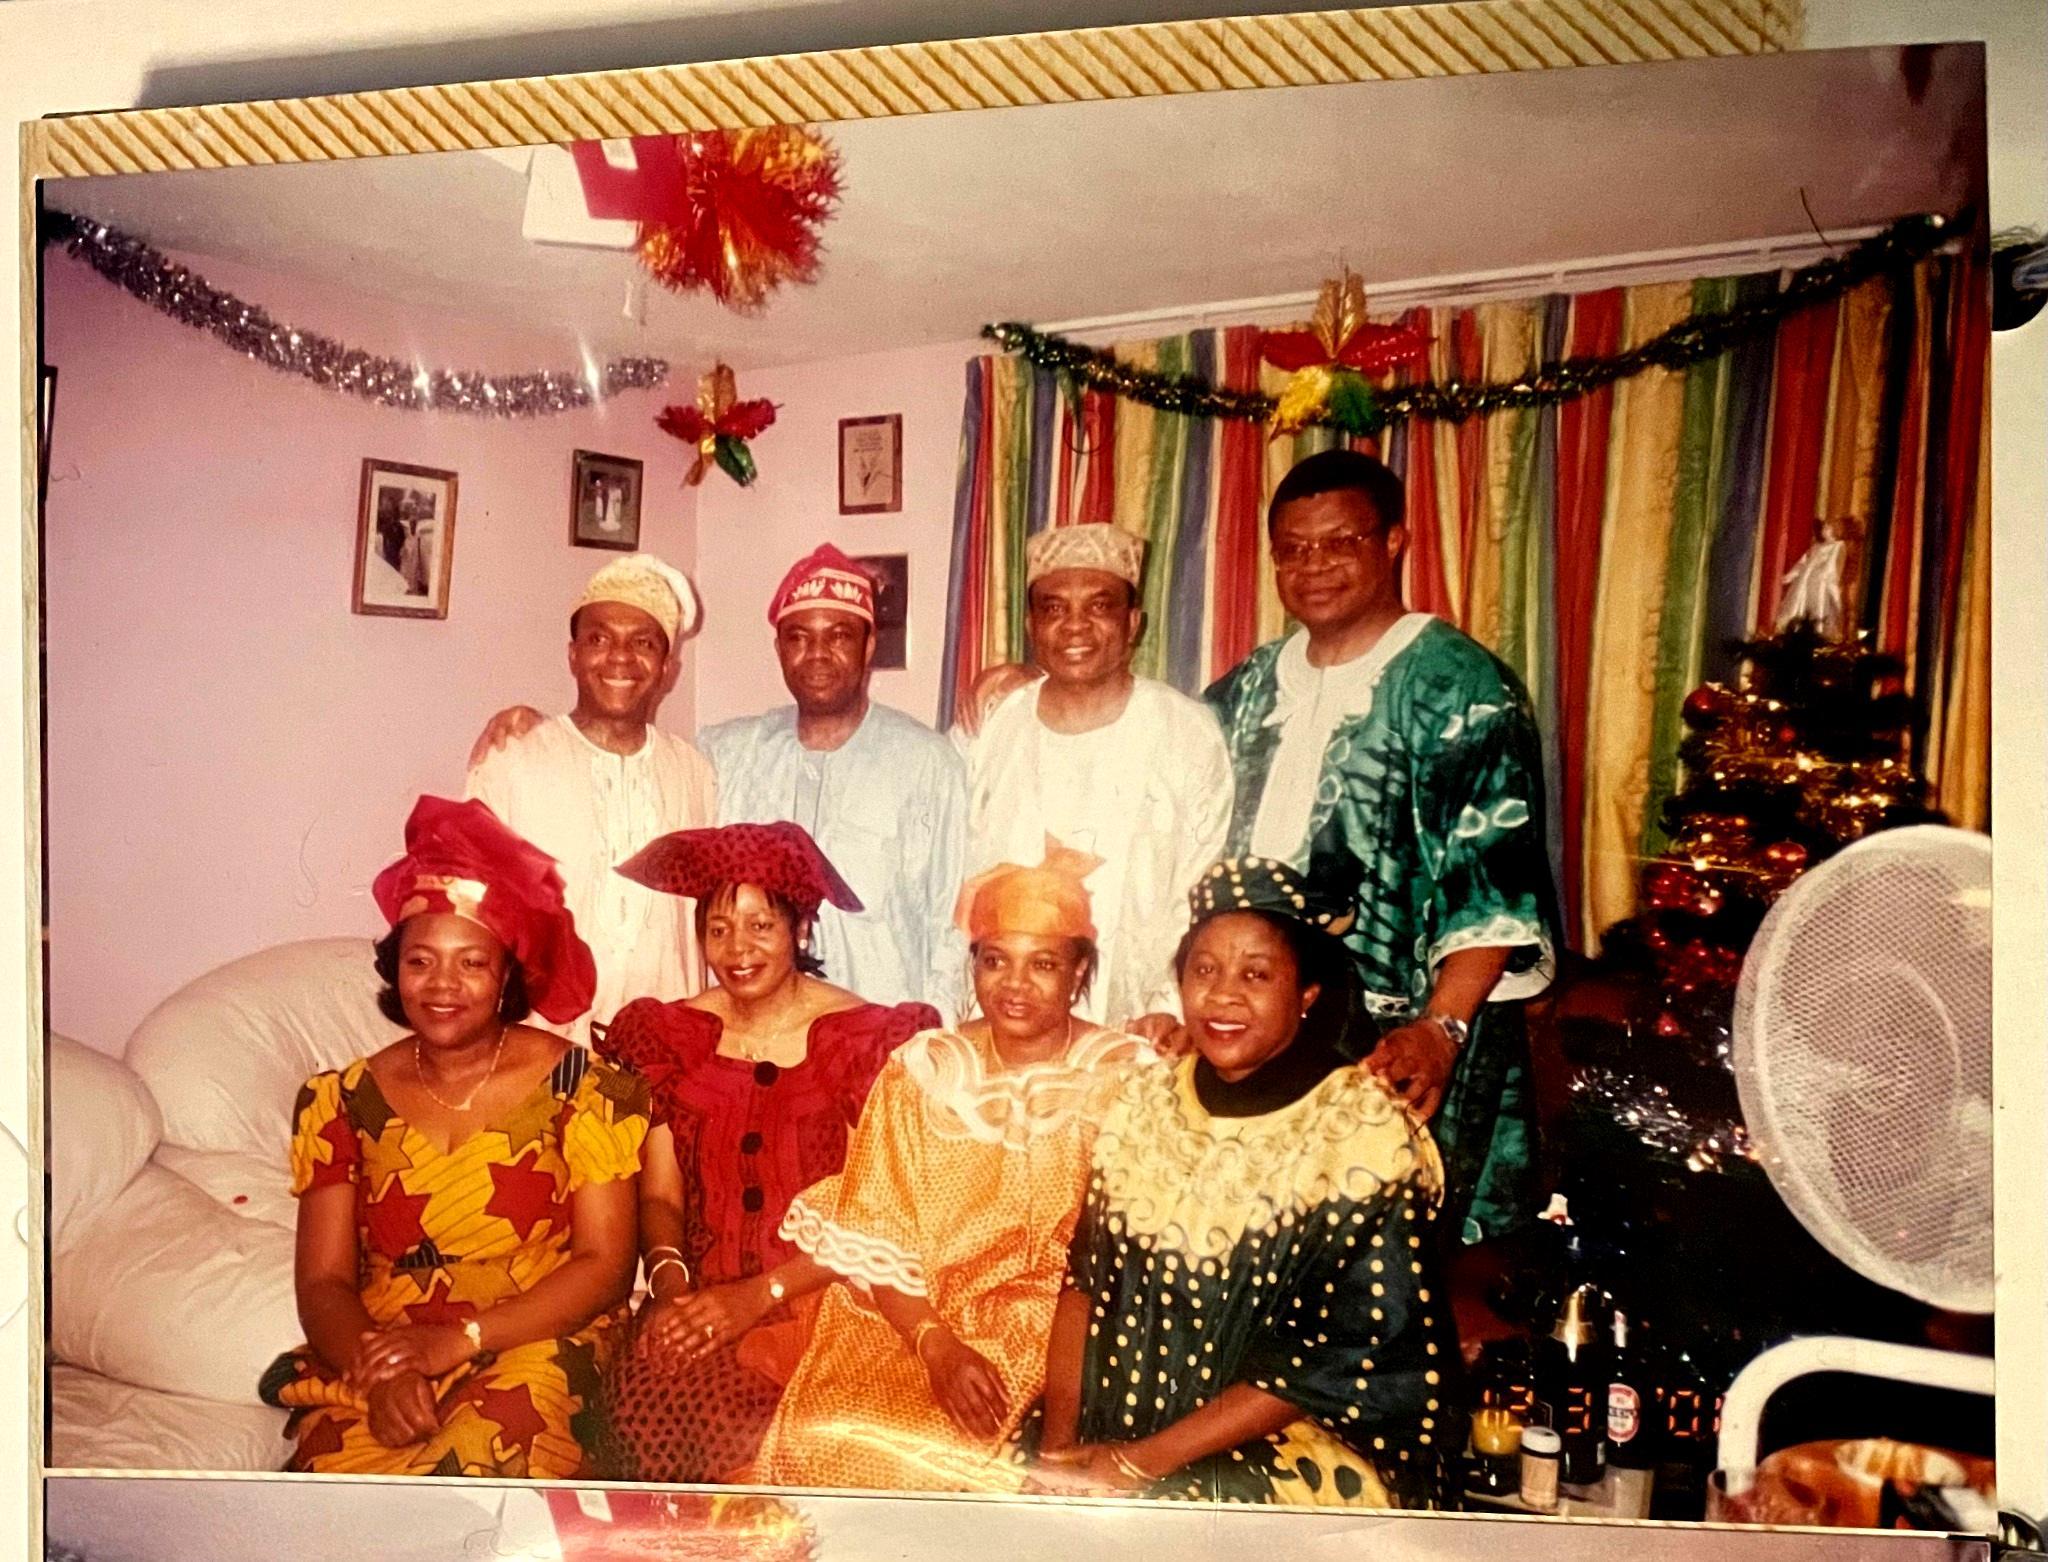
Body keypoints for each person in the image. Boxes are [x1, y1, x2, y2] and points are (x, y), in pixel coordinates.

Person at [1202, 449, 1556, 1246]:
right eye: (1293, 549)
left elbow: (1493, 897)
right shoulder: (1244, 691)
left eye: (1340, 542)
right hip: (1257, 1035)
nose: (1314, 566)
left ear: (1395, 540)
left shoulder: (1461, 687)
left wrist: (1443, 1031)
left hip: (1399, 1050)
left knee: (1379, 1291)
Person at [1027, 854, 1455, 1508]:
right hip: (1121, 1430)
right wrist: (1059, 1455)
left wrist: (1140, 1466)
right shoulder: (1144, 1103)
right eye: (1204, 970)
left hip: (1299, 1444)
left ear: (1307, 996)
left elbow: (1338, 1362)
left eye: (1256, 974)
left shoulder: (1362, 1132)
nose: (1224, 995)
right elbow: (1084, 1288)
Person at [260, 796, 648, 1478]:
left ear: (506, 977)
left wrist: (457, 1343)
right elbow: (322, 1281)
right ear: (394, 970)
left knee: (475, 1464)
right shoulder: (339, 1101)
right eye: (421, 963)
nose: (443, 985)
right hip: (384, 1353)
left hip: (534, 1341)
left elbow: (606, 1267)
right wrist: (379, 1373)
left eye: (472, 963)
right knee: (331, 1494)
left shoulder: (585, 1087)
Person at [750, 841, 1149, 1493]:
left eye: (1042, 965)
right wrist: (934, 1342)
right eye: (996, 961)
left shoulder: (1126, 1080)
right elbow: (879, 1229)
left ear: (1079, 974)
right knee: (839, 1446)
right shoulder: (925, 1071)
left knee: (946, 1469)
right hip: (910, 1315)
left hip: (1057, 1333)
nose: (1014, 985)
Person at [590, 821, 939, 1482]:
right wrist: (670, 1290)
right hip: (696, 1297)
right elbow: (661, 1195)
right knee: (642, 1406)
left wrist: (755, 1299)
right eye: (718, 929)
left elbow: (879, 1213)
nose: (737, 948)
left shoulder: (862, 1039)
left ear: (801, 930)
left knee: (757, 1440)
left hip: (826, 1299)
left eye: (760, 926)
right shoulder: (669, 1035)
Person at [958, 523, 1232, 1027]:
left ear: (1133, 624)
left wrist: (1169, 1005)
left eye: (1100, 606)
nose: (1075, 626)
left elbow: (1202, 887)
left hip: (1137, 1024)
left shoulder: (1185, 731)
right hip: (1002, 1021)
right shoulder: (996, 725)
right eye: (1055, 608)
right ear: (1030, 624)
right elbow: (959, 873)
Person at [701, 543, 969, 1020]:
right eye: (799, 636)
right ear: (779, 648)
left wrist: (927, 1036)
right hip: (755, 1045)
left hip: (878, 1040)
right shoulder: (728, 754)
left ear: (868, 646)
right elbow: (642, 753)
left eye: (839, 635)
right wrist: (527, 725)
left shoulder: (927, 763)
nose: (818, 654)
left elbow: (953, 922)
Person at [466, 553, 718, 1043]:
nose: (620, 657)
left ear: (666, 667)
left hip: (666, 1047)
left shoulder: (694, 772)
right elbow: (470, 913)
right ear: (573, 655)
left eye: (642, 643)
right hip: (541, 1047)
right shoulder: (511, 759)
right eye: (599, 639)